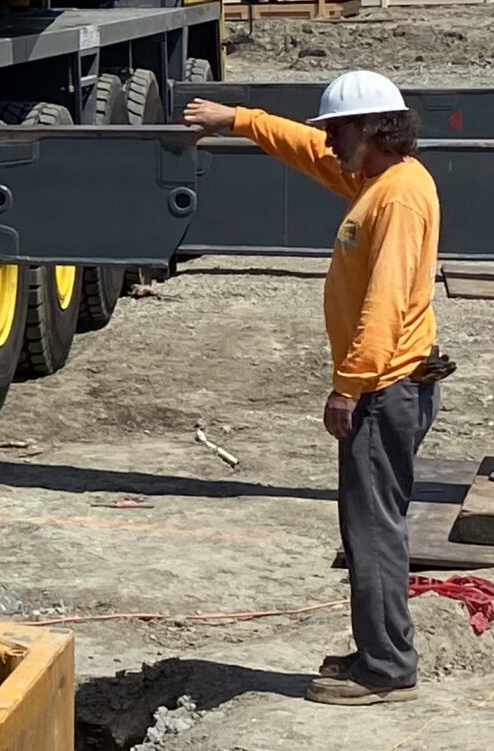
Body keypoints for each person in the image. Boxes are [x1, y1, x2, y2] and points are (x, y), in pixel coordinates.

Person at [181, 70, 441, 706]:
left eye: (337, 131)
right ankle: (381, 650)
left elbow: (383, 303)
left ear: (372, 129)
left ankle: (384, 670)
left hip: (382, 389)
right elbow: (304, 148)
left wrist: (348, 386)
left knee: (372, 529)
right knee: (370, 524)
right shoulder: (377, 179)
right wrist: (238, 121)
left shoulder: (398, 199)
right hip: (387, 384)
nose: (327, 142)